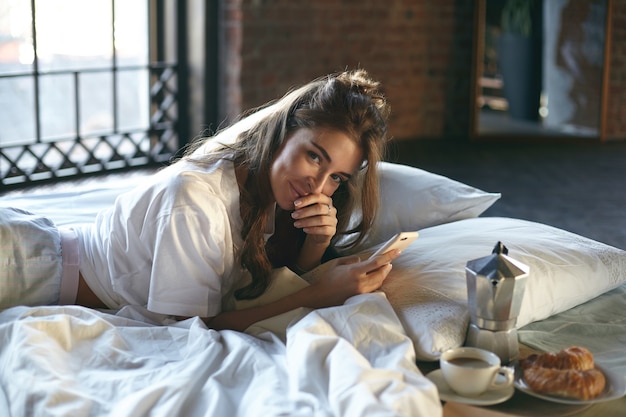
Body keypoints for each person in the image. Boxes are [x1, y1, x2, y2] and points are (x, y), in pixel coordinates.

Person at [0, 69, 400, 332]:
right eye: (314, 156)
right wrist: (317, 295)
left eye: (337, 178)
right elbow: (193, 329)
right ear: (283, 133)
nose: (318, 185)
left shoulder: (268, 192)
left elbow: (268, 284)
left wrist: (315, 244)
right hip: (27, 265)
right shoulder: (196, 199)